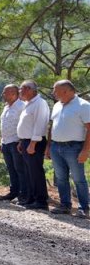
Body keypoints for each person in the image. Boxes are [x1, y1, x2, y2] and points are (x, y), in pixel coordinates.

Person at [46, 79, 90, 218]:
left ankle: (84, 208)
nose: (53, 93)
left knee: (78, 179)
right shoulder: (57, 105)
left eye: (55, 90)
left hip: (74, 147)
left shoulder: (83, 105)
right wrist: (49, 146)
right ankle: (65, 205)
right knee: (60, 178)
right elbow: (52, 127)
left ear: (65, 91)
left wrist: (85, 150)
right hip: (56, 146)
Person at [16, 80, 50, 210]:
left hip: (34, 142)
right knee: (28, 172)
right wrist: (21, 141)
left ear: (28, 89)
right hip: (26, 141)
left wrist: (33, 143)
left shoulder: (40, 103)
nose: (20, 92)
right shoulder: (28, 104)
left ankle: (41, 201)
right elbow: (26, 125)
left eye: (21, 89)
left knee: (35, 172)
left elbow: (40, 124)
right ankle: (30, 198)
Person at [0, 84, 28, 201]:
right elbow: (4, 125)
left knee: (20, 169)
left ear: (13, 93)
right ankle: (13, 192)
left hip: (16, 142)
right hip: (6, 143)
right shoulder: (6, 107)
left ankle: (22, 194)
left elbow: (24, 125)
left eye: (5, 92)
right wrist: (2, 141)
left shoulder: (22, 106)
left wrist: (21, 141)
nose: (3, 94)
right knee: (11, 169)